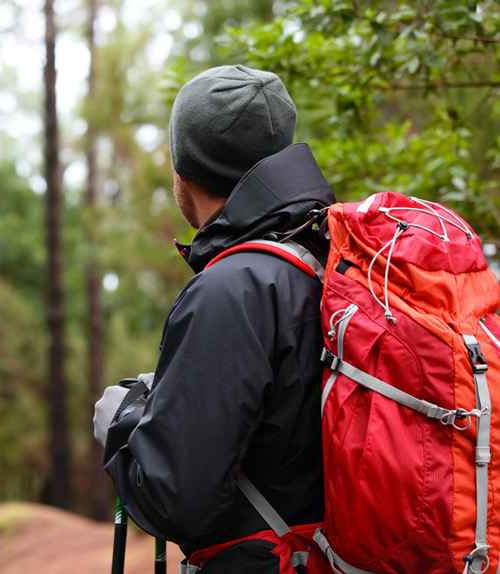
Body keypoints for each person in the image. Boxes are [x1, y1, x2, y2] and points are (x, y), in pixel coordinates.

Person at [93, 65, 336, 572]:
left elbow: (177, 503)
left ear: (186, 170)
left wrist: (121, 422)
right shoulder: (333, 257)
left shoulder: (233, 290)